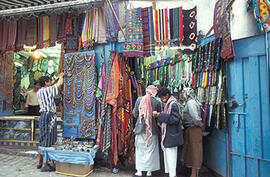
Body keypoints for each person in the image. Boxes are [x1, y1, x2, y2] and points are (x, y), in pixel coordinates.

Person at [153, 87, 183, 177]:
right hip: (169, 134)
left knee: (171, 158)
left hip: (172, 134)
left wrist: (160, 115)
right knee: (169, 158)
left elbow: (175, 119)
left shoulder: (172, 104)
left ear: (166, 95)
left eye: (162, 97)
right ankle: (171, 174)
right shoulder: (169, 104)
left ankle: (172, 175)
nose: (162, 100)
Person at [36, 73, 64, 172]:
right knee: (48, 139)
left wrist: (55, 78)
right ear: (45, 83)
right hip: (49, 116)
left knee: (43, 138)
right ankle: (45, 164)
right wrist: (61, 77)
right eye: (49, 81)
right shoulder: (48, 90)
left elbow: (52, 84)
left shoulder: (39, 91)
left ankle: (39, 161)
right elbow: (59, 84)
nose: (50, 82)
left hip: (43, 115)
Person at [133, 85, 162, 177]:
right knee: (151, 150)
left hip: (140, 129)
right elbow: (159, 118)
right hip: (152, 130)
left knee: (140, 149)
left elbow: (134, 114)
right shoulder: (157, 102)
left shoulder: (139, 100)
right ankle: (149, 172)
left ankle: (139, 171)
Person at [181, 88, 204, 177]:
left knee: (195, 152)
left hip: (194, 129)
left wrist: (201, 125)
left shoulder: (191, 103)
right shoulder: (192, 102)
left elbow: (195, 117)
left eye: (183, 93)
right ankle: (193, 173)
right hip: (192, 129)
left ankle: (194, 174)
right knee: (192, 151)